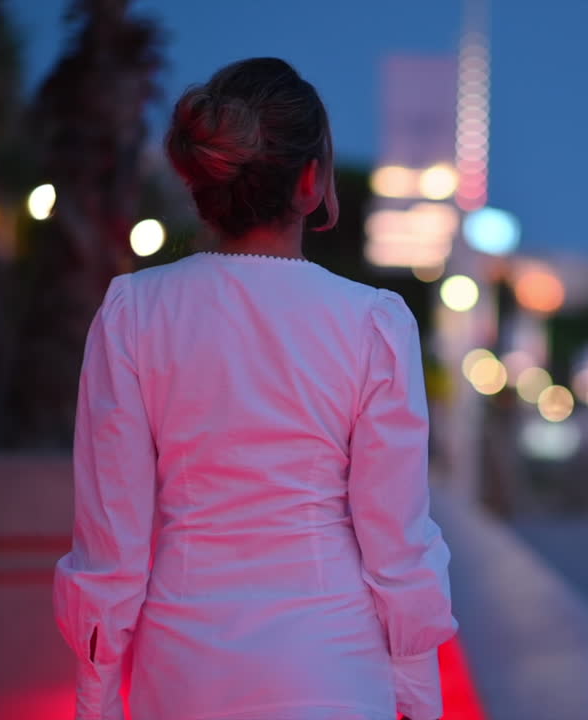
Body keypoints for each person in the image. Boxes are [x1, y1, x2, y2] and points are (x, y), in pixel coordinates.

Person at [52, 57, 458, 720]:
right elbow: (397, 540)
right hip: (333, 663)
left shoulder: (133, 310)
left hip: (182, 667)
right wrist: (416, 684)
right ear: (309, 180)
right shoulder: (374, 323)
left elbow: (110, 540)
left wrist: (96, 696)